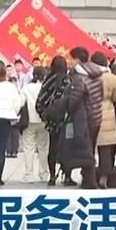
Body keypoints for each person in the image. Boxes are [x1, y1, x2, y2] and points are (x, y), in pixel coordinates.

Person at [47, 50, 100, 189]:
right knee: (88, 148)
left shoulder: (79, 77)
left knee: (84, 149)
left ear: (78, 60)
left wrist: (66, 106)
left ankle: (89, 181)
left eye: (72, 59)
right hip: (95, 114)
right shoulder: (95, 74)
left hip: (83, 117)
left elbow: (74, 98)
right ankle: (88, 180)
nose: (70, 62)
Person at [35, 56, 74, 186]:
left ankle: (52, 176)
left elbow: (40, 101)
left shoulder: (48, 80)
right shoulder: (68, 80)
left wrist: (45, 116)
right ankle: (67, 176)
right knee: (67, 148)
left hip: (53, 120)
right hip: (67, 119)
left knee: (53, 147)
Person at [91, 51, 116, 184]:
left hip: (92, 111)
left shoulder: (90, 76)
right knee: (105, 147)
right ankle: (104, 176)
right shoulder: (112, 78)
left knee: (90, 146)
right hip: (108, 111)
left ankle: (89, 176)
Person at [19, 66, 50, 183]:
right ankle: (44, 174)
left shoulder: (26, 88)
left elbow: (20, 103)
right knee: (43, 148)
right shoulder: (47, 87)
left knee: (28, 148)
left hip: (29, 121)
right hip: (44, 121)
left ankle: (28, 174)